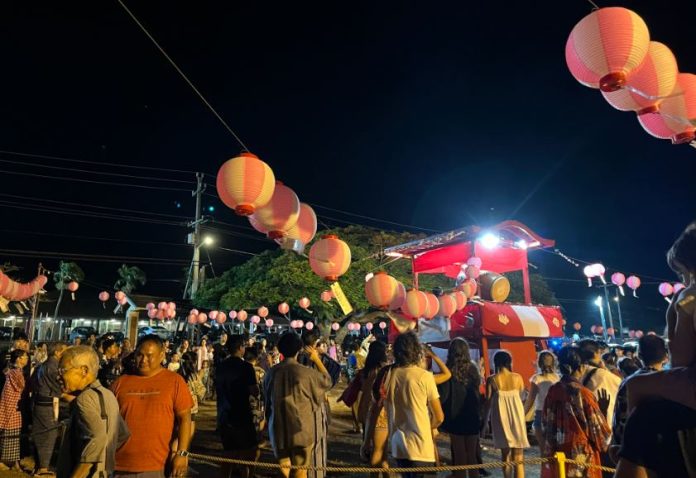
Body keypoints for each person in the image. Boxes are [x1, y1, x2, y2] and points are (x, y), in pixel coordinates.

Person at [111, 335, 193, 478]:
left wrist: (182, 453)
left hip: (157, 465)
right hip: (120, 464)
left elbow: (185, 419)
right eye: (139, 355)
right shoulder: (120, 383)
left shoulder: (175, 382)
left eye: (149, 356)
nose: (143, 360)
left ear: (162, 355)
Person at [264, 332, 332, 478]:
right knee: (300, 469)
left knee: (284, 467)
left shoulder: (271, 373)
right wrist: (317, 359)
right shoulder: (306, 373)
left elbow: (266, 401)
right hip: (301, 427)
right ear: (299, 349)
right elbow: (327, 381)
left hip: (278, 426)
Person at [57, 346, 130, 478]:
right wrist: (106, 457)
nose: (59, 376)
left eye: (63, 370)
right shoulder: (108, 394)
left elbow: (98, 439)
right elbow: (123, 433)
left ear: (84, 370)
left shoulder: (84, 399)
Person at [540, 346, 610, 478]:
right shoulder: (583, 394)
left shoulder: (553, 390)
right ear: (582, 367)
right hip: (580, 455)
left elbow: (545, 424)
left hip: (557, 451)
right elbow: (601, 436)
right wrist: (603, 411)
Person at [383, 332, 444, 478]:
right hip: (420, 444)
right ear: (416, 351)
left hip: (399, 443)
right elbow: (439, 417)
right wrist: (427, 427)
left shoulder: (391, 375)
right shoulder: (425, 376)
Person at [609, 334, 668, 462]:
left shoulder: (629, 382)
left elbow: (620, 422)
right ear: (666, 357)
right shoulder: (672, 382)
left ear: (639, 356)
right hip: (666, 453)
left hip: (635, 454)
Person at [216, 335, 259, 478]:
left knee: (228, 452)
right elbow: (254, 391)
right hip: (242, 414)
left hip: (223, 414)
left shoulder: (220, 366)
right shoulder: (247, 367)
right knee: (249, 450)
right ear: (241, 348)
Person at [438, 338, 482, 478]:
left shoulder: (448, 370)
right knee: (472, 457)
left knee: (460, 458)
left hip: (456, 415)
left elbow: (444, 396)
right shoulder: (473, 369)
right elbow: (477, 391)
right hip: (472, 414)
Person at [482, 350, 529, 478]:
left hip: (500, 418)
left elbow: (488, 403)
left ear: (495, 363)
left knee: (505, 455)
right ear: (509, 362)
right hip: (517, 416)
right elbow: (522, 397)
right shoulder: (518, 377)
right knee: (519, 456)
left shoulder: (492, 380)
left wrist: (485, 423)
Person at [32, 342, 71, 477]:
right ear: (57, 352)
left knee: (42, 434)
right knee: (48, 435)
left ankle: (40, 466)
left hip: (41, 403)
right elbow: (61, 387)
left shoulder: (44, 365)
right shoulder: (52, 367)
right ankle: (42, 468)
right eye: (65, 352)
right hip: (46, 404)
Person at [355, 341, 388, 471]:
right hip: (382, 412)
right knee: (380, 452)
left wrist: (361, 411)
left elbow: (365, 395)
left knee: (378, 452)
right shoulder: (383, 370)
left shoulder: (369, 371)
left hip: (373, 412)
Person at [523, 351, 560, 456]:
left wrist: (523, 415)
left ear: (539, 363)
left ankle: (546, 469)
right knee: (554, 446)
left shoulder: (536, 378)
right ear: (553, 363)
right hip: (554, 412)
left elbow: (531, 399)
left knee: (543, 448)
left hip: (540, 412)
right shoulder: (557, 378)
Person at [576, 339, 621, 425]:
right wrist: (605, 369)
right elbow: (620, 384)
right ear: (596, 353)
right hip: (602, 423)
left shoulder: (576, 371)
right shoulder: (602, 374)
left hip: (584, 422)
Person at [0, 349, 29, 471]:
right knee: (10, 435)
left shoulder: (11, 371)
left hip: (11, 407)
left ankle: (14, 463)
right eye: (25, 357)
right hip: (11, 408)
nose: (27, 359)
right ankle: (4, 461)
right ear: (18, 359)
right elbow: (22, 385)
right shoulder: (16, 372)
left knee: (13, 435)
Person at [177, 352, 205, 445]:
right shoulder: (193, 376)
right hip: (190, 408)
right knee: (186, 438)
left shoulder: (176, 374)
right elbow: (200, 391)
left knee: (176, 437)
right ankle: (183, 456)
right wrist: (200, 377)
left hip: (177, 406)